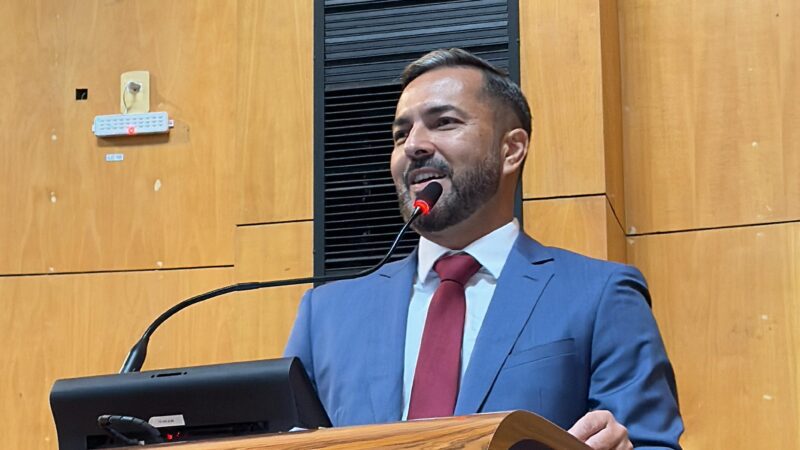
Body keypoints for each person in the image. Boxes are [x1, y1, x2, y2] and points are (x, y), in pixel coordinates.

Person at [285, 48, 683, 449]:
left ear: (511, 150)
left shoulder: (600, 295)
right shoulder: (326, 316)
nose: (414, 146)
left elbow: (651, 442)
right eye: (401, 134)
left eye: (444, 123)